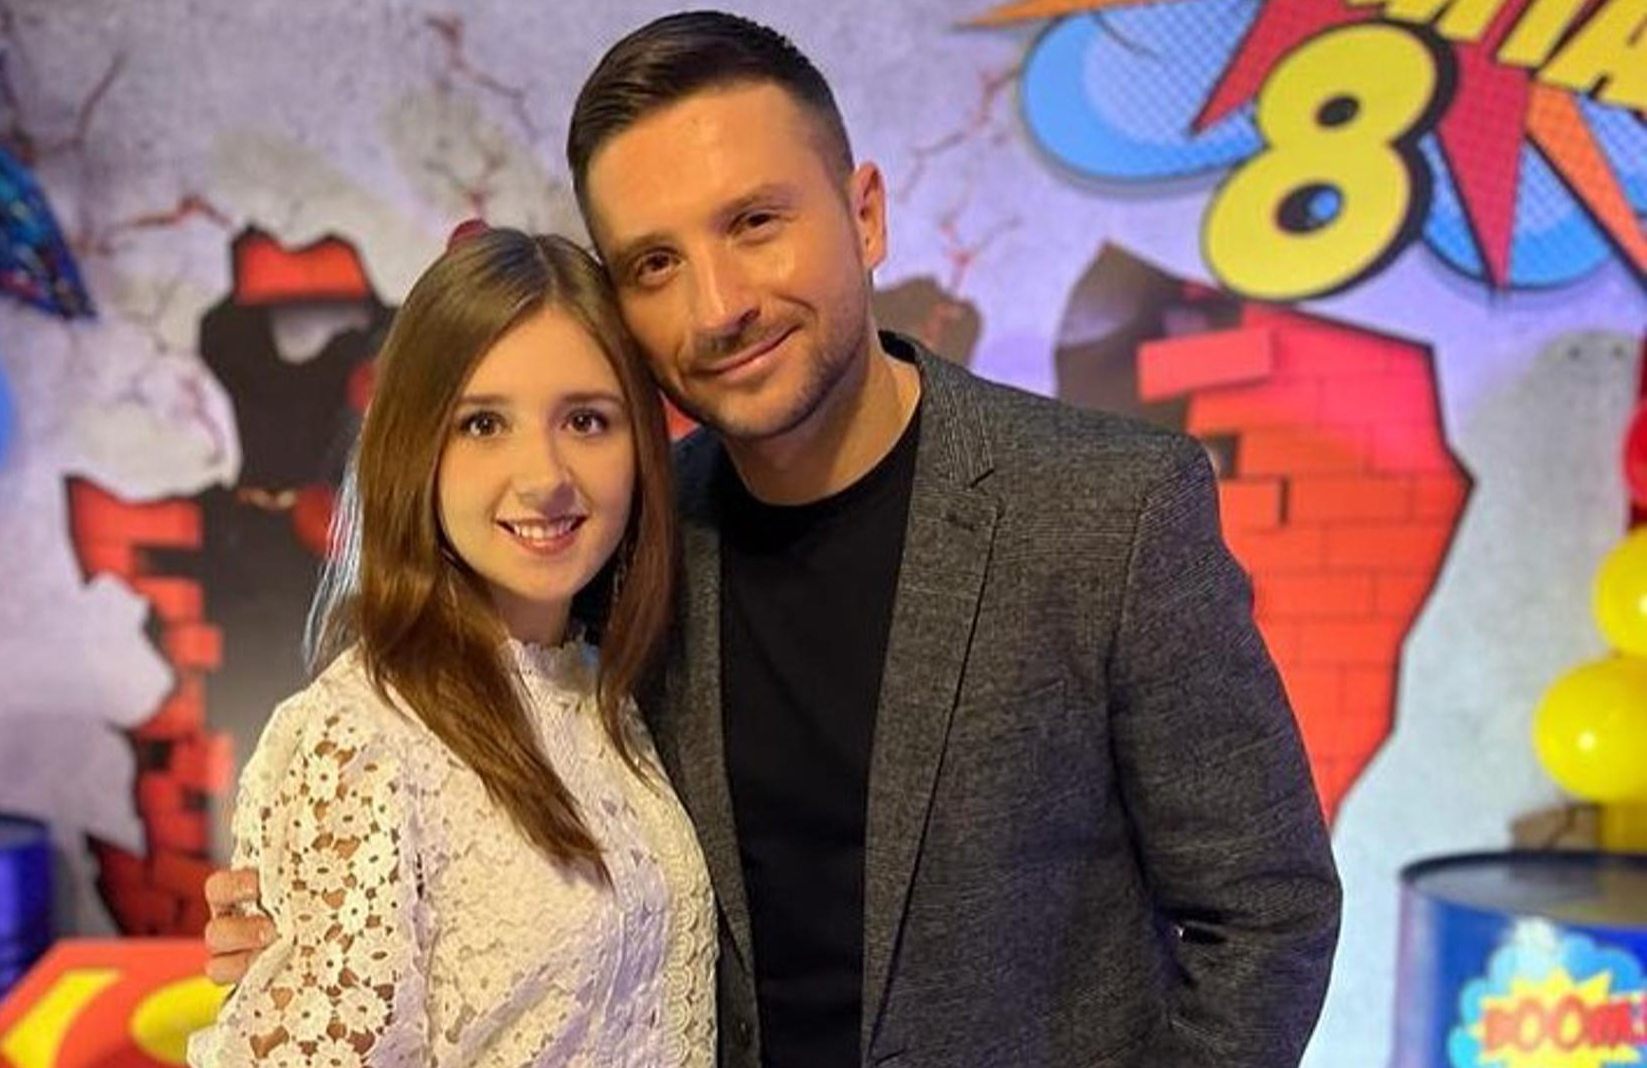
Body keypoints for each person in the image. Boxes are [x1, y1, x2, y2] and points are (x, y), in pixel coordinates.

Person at [206, 12, 1342, 1067]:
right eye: (655, 264)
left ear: (864, 215)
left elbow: (1264, 911)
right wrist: (310, 922)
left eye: (754, 223)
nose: (718, 306)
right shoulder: (626, 546)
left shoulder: (1108, 510)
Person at [186, 227, 716, 1068]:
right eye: (483, 424)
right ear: (415, 448)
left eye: (586, 419)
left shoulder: (607, 689)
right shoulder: (358, 739)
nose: (544, 476)